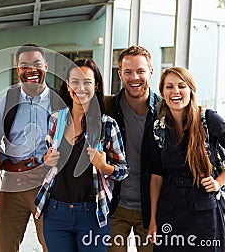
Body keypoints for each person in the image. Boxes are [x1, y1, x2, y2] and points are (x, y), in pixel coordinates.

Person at [34, 59, 129, 251]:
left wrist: (104, 166)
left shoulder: (107, 125)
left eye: (87, 82)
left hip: (92, 214)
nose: (81, 88)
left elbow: (123, 171)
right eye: (75, 82)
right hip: (55, 213)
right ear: (68, 86)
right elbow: (42, 160)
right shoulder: (55, 120)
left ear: (96, 85)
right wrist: (45, 160)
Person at [0, 43, 64, 252]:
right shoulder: (5, 100)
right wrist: (14, 167)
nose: (31, 70)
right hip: (13, 185)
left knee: (53, 246)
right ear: (18, 71)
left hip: (50, 186)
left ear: (46, 67)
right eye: (24, 66)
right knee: (4, 247)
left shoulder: (59, 102)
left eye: (36, 64)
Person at [147, 67, 225, 252]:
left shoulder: (208, 119)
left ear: (191, 89)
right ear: (162, 93)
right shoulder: (158, 127)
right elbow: (156, 175)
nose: (175, 91)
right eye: (169, 87)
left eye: (181, 86)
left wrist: (219, 182)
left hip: (203, 211)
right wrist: (152, 219)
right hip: (169, 211)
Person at [105, 45, 161, 252]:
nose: (134, 77)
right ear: (120, 74)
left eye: (140, 71)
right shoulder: (107, 107)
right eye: (128, 72)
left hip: (152, 210)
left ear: (151, 72)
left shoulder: (165, 112)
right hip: (114, 206)